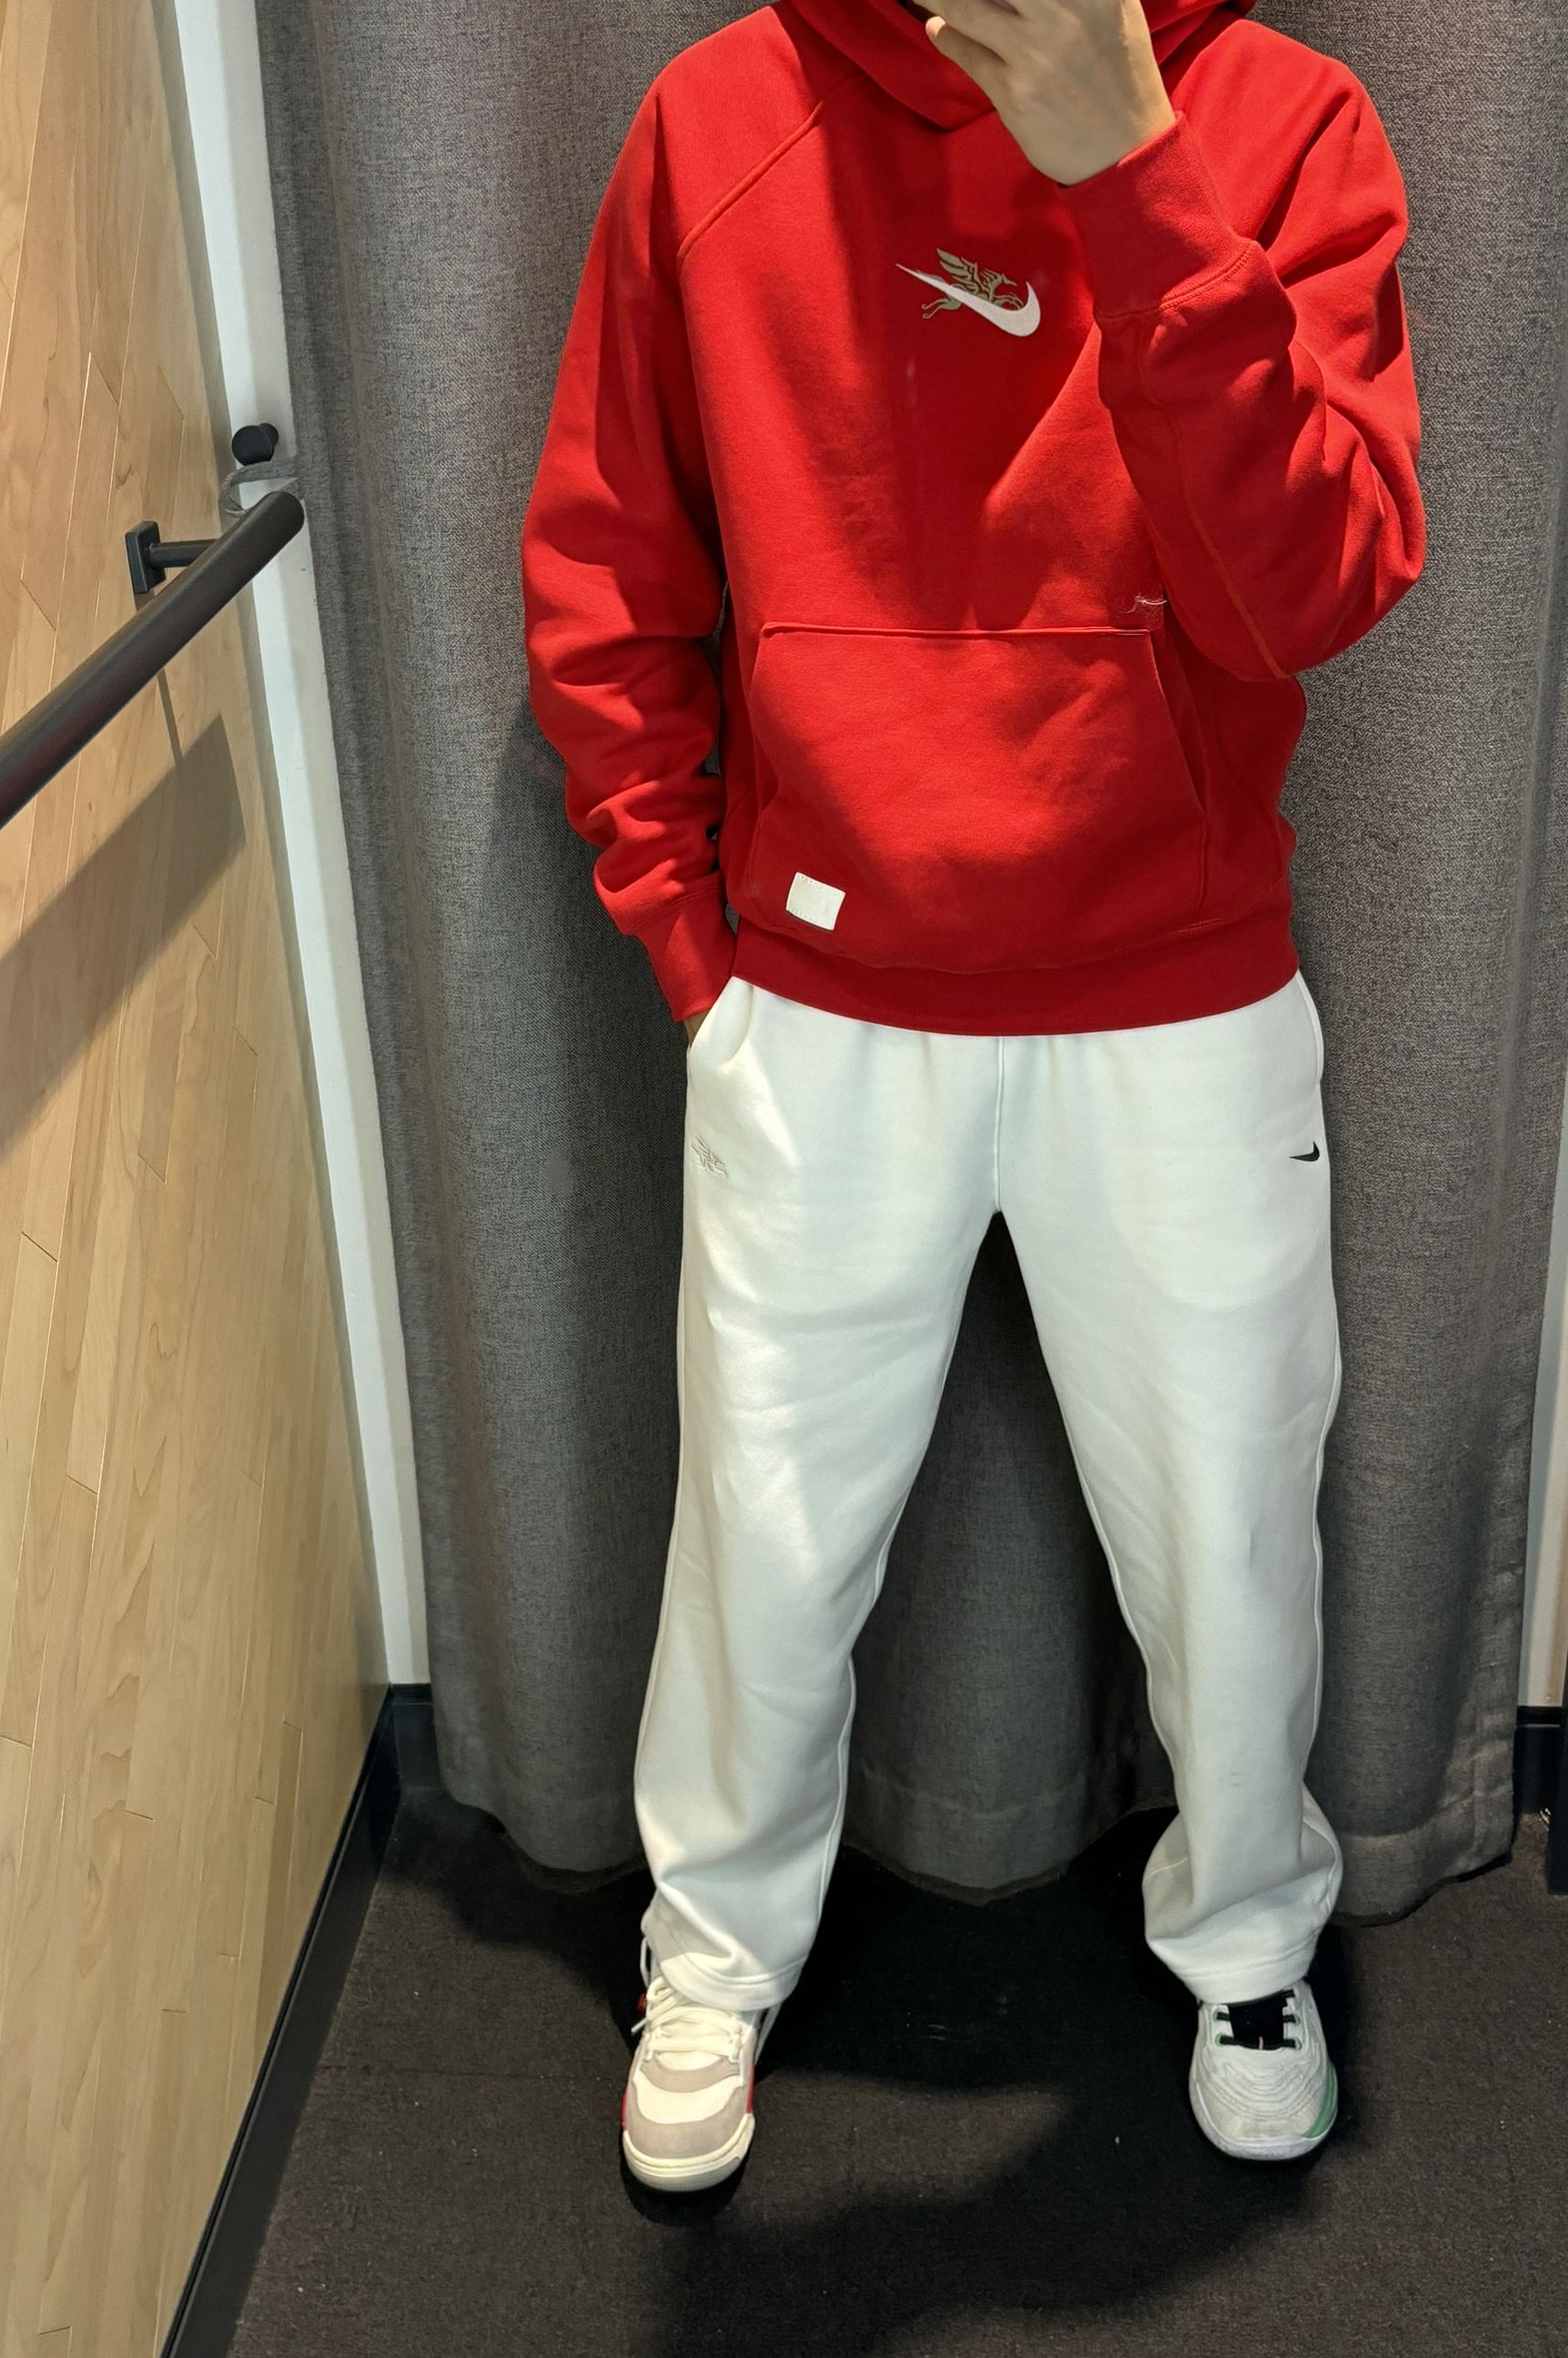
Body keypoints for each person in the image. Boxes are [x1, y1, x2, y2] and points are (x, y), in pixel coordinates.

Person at [523, 0, 1423, 2192]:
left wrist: (1132, 174)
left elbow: (1315, 592)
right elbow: (610, 568)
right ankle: (712, 1952)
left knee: (1227, 1525)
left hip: (1178, 992)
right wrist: (696, 949)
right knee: (762, 1530)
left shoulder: (1282, 120)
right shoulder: (718, 120)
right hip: (822, 994)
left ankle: (1247, 1943)